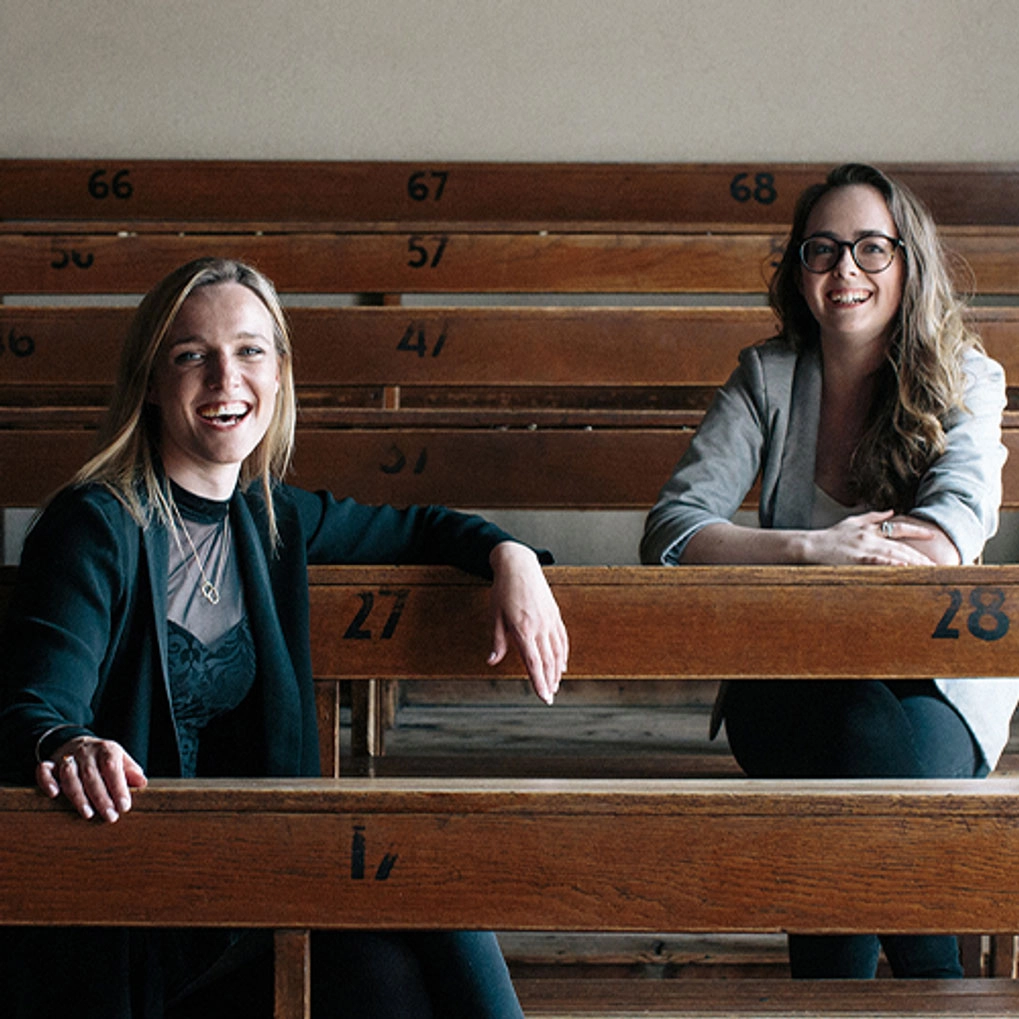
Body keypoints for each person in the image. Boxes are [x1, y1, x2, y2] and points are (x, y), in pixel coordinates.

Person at [0, 256, 568, 1018]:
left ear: (280, 373)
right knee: (417, 913)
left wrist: (511, 554)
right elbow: (33, 703)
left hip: (242, 902)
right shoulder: (96, 525)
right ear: (151, 379)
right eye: (191, 354)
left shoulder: (272, 518)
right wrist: (69, 744)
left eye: (249, 350)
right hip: (129, 928)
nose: (224, 377)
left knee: (397, 963)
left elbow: (423, 527)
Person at [641, 163, 1016, 979]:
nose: (844, 269)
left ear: (906, 262)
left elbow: (950, 531)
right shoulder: (765, 378)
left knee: (865, 756)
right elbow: (672, 528)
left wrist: (779, 557)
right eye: (822, 250)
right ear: (798, 271)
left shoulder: (965, 377)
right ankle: (940, 989)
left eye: (869, 249)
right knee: (863, 755)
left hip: (936, 686)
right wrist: (811, 549)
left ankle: (831, 991)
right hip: (790, 677)